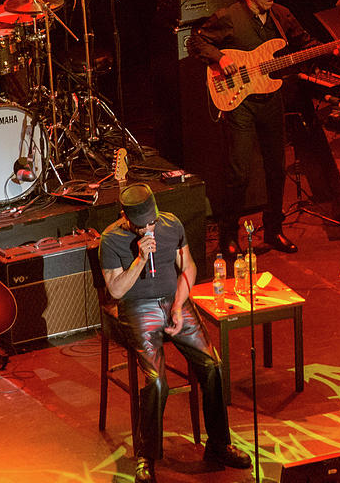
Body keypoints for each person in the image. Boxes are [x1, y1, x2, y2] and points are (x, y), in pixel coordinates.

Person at [98, 184, 250, 483]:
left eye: (152, 222)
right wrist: (140, 259)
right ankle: (146, 456)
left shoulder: (171, 224)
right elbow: (115, 289)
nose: (150, 229)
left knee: (213, 366)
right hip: (138, 307)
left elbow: (189, 267)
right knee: (156, 382)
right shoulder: (111, 239)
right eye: (143, 226)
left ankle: (219, 444)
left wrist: (179, 305)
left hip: (175, 302)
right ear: (126, 219)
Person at [189, 0, 340, 258]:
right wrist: (219, 58)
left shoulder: (281, 15)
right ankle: (228, 236)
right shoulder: (229, 17)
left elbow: (304, 42)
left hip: (271, 99)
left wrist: (332, 49)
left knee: (276, 168)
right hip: (240, 102)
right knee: (239, 171)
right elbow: (197, 41)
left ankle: (273, 229)